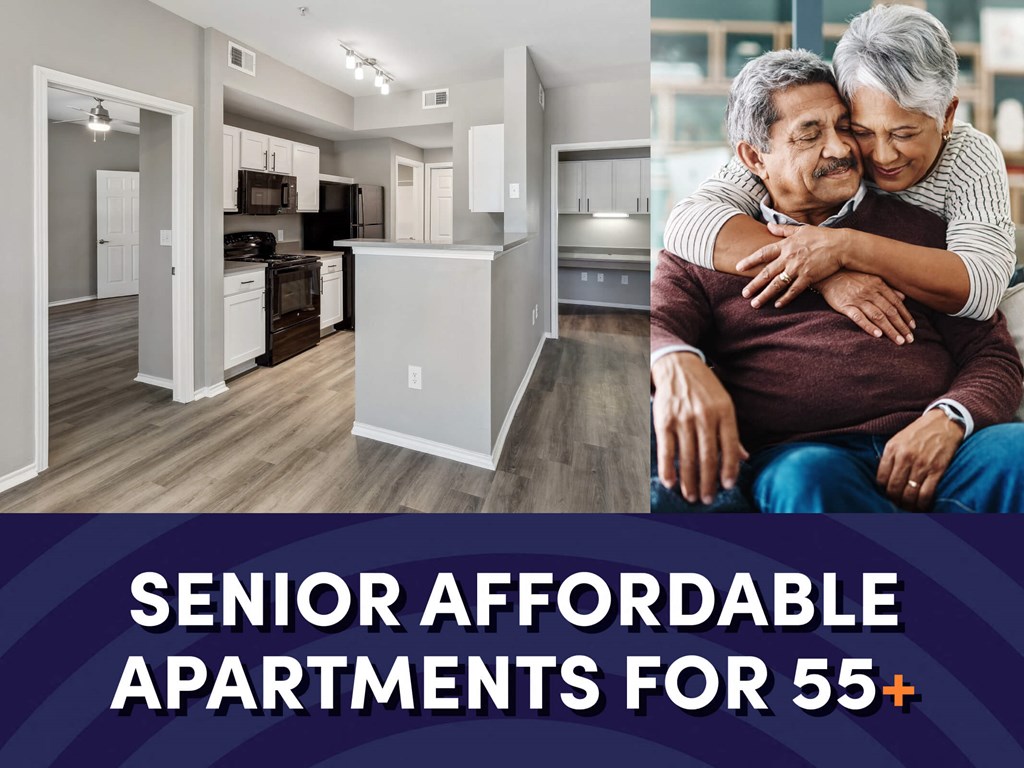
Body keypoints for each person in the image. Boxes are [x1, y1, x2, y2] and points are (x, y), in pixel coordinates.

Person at [650, 49, 1024, 513]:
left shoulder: (918, 231)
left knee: (1018, 454)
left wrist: (949, 419)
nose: (841, 148)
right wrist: (675, 362)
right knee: (809, 481)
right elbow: (646, 322)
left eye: (845, 127)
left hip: (939, 446)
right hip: (808, 454)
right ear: (754, 157)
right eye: (810, 135)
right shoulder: (705, 250)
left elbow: (993, 356)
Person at [663, 4, 1016, 344]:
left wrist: (845, 247)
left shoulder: (969, 156)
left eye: (903, 134)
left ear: (948, 116)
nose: (881, 155)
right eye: (860, 130)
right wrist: (828, 273)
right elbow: (688, 223)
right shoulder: (825, 152)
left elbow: (982, 288)